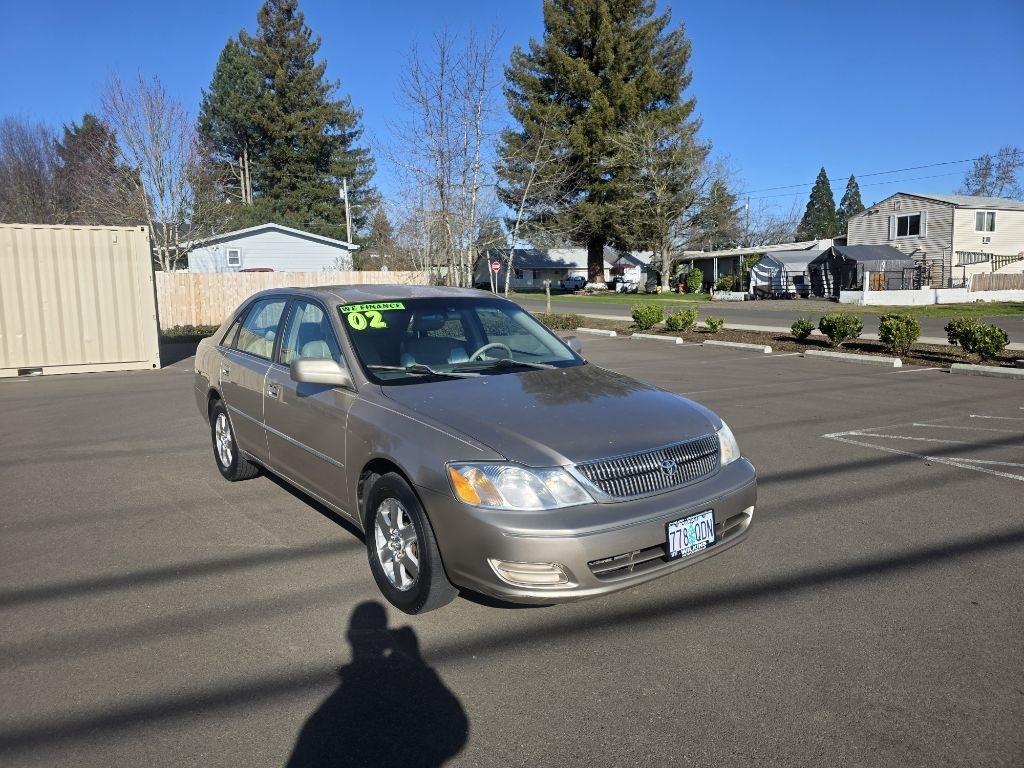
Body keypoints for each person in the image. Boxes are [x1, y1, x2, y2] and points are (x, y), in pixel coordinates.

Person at [285, 601, 468, 767]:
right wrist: (414, 660)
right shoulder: (327, 716)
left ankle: (369, 660)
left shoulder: (324, 718)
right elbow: (454, 727)